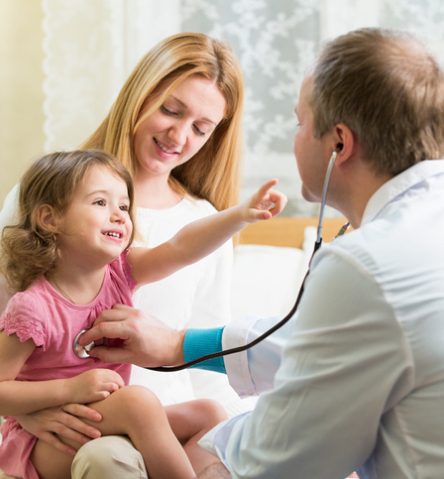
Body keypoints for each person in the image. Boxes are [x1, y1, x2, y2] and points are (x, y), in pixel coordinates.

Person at [72, 27, 444, 478]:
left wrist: (208, 444)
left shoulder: (363, 266)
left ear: (339, 145)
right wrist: (177, 345)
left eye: (299, 123)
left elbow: (284, 455)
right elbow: (306, 345)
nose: (295, 138)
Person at [0, 31, 249, 475]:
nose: (179, 135)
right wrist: (29, 410)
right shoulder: (45, 195)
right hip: (74, 426)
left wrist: (239, 215)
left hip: (162, 422)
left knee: (219, 422)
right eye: (171, 110)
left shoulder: (198, 223)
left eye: (201, 128)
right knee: (110, 453)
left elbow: (209, 355)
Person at [0, 149, 286, 479]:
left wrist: (239, 216)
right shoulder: (32, 307)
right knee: (137, 402)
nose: (119, 215)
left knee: (208, 412)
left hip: (107, 419)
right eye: (100, 203)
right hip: (46, 441)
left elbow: (181, 248)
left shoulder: (120, 273)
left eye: (123, 206)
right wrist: (69, 390)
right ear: (50, 219)